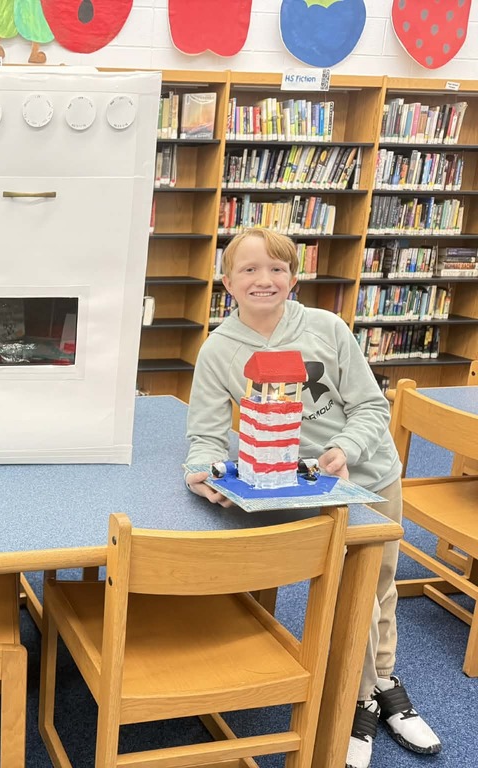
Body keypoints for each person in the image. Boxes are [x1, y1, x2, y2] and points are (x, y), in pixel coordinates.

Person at [183, 228, 441, 768]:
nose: (264, 279)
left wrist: (345, 447)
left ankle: (377, 688)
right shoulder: (218, 349)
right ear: (227, 283)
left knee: (378, 582)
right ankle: (361, 699)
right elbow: (206, 434)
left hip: (370, 474)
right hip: (296, 487)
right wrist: (199, 472)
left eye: (277, 269)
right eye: (248, 270)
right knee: (354, 585)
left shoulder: (325, 328)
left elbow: (372, 406)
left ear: (293, 278)